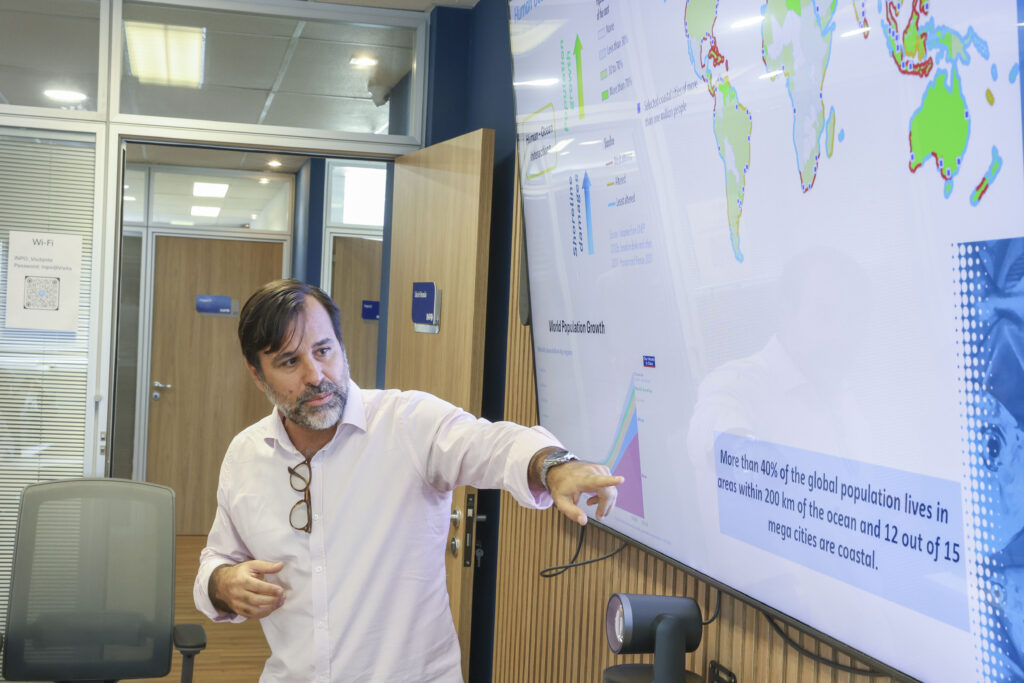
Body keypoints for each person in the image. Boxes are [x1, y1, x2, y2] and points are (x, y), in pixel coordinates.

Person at [193, 279, 622, 683]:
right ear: (257, 374)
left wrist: (554, 465)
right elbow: (217, 557)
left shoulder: (407, 424)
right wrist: (222, 584)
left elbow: (493, 443)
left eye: (324, 350)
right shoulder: (246, 456)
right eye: (290, 362)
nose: (315, 375)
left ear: (341, 346)